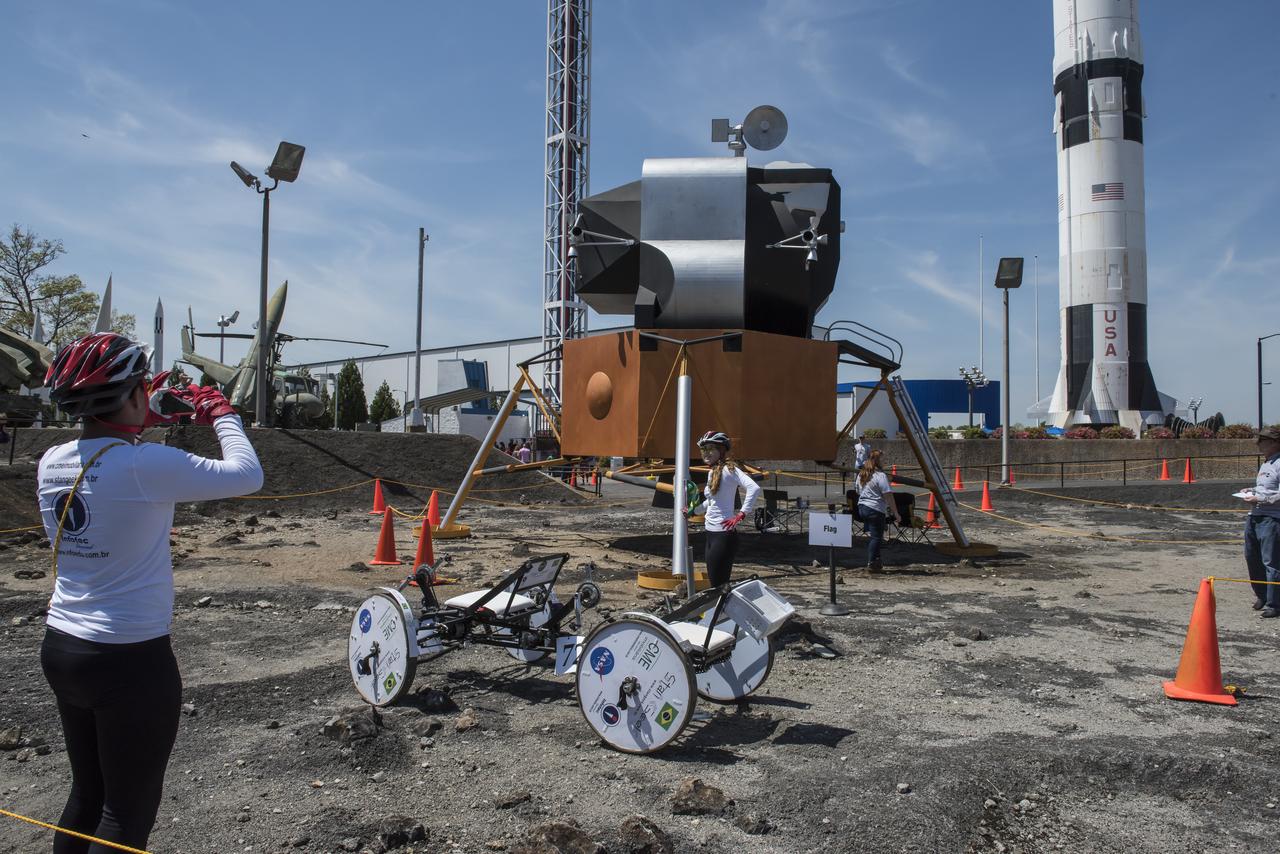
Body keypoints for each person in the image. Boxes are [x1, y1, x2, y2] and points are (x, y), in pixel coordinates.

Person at [36, 332, 264, 853]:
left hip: (64, 644)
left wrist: (144, 412)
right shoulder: (147, 465)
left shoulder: (52, 460)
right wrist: (220, 412)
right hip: (130, 657)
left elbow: (109, 451)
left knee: (87, 795)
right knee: (125, 815)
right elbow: (247, 474)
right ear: (132, 394)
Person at [686, 430, 761, 586]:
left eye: (710, 448)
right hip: (711, 532)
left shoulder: (729, 470)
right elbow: (712, 502)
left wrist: (741, 514)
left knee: (718, 583)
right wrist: (693, 512)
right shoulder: (712, 472)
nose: (706, 453)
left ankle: (723, 602)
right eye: (703, 449)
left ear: (721, 450)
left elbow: (753, 488)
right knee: (716, 582)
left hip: (723, 535)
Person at [1243, 426, 1280, 617]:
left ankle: (1275, 603)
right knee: (1252, 557)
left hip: (1272, 518)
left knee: (1271, 561)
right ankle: (1262, 595)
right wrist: (1252, 490)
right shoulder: (1266, 463)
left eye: (1262, 440)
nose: (1258, 444)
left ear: (1275, 442)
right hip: (1254, 516)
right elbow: (1266, 488)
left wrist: (1261, 498)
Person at [856, 449, 900, 570]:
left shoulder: (861, 475)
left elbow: (857, 491)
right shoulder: (881, 476)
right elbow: (888, 495)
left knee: (874, 534)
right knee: (876, 537)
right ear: (878, 461)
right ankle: (871, 561)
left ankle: (877, 560)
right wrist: (896, 513)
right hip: (875, 508)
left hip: (862, 507)